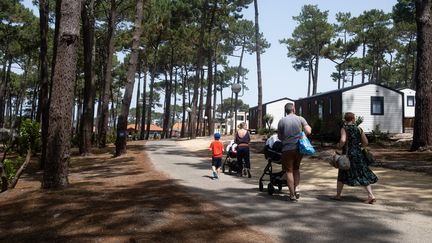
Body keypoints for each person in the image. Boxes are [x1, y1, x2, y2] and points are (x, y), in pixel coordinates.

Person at [332, 112, 378, 204]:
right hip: (358, 154)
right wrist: (358, 145)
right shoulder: (358, 129)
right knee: (362, 173)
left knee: (342, 173)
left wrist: (339, 145)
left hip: (347, 155)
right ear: (353, 119)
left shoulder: (344, 128)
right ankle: (370, 195)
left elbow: (343, 140)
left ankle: (338, 195)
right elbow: (365, 142)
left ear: (345, 119)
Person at [277, 103, 312, 202]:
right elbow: (308, 131)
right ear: (293, 109)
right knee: (296, 169)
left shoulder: (282, 121)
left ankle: (292, 195)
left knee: (289, 171)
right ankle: (296, 188)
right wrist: (302, 135)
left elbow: (279, 137)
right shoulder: (301, 119)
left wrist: (286, 139)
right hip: (299, 148)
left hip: (287, 149)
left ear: (285, 110)